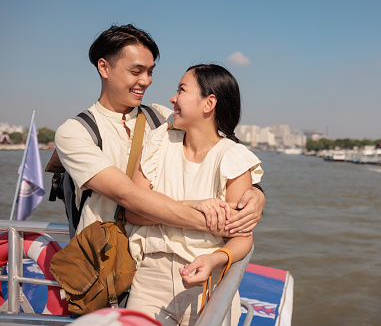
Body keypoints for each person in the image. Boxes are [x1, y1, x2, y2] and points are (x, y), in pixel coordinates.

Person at [54, 24, 265, 240]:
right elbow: (128, 196)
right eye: (136, 71)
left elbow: (219, 150)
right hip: (103, 258)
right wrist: (219, 223)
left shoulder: (162, 118)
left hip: (151, 256)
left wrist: (256, 195)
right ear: (104, 68)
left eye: (150, 72)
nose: (146, 81)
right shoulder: (75, 133)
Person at [125, 64, 261, 326]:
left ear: (209, 103)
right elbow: (133, 212)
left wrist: (214, 259)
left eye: (181, 90)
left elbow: (242, 236)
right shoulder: (158, 143)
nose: (172, 98)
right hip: (149, 280)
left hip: (209, 283)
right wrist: (193, 206)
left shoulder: (232, 158)